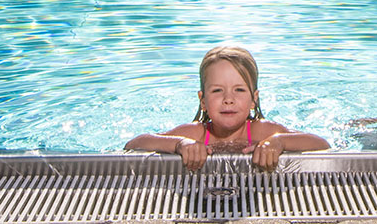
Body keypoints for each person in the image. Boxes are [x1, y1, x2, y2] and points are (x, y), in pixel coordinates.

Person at [125, 45, 330, 170]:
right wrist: (180, 145)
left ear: (254, 100)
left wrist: (279, 142)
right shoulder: (195, 134)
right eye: (217, 91)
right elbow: (134, 144)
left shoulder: (263, 131)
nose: (228, 99)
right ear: (203, 101)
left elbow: (321, 144)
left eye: (239, 90)